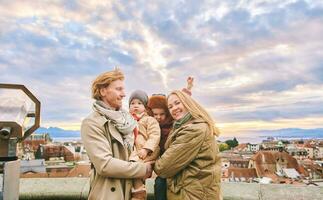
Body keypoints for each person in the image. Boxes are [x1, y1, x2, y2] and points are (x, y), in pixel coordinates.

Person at [81, 69, 153, 200]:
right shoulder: (91, 123)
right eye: (119, 89)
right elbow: (105, 165)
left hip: (131, 192)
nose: (124, 94)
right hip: (109, 194)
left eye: (123, 90)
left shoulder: (127, 121)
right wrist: (143, 169)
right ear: (103, 91)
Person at [154, 90, 222, 200]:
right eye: (170, 107)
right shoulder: (190, 125)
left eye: (177, 103)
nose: (174, 108)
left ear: (187, 102)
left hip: (190, 194)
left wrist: (151, 162)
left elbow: (163, 168)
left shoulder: (193, 130)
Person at [148, 77, 194, 200]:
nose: (158, 117)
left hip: (174, 157)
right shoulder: (152, 124)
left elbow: (181, 102)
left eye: (162, 114)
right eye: (155, 114)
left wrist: (188, 88)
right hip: (162, 159)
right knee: (159, 183)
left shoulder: (175, 122)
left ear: (167, 113)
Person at [128, 90, 161, 200]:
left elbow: (155, 135)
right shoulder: (127, 121)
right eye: (132, 103)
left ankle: (139, 195)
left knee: (136, 169)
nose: (135, 106)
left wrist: (146, 149)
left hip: (146, 153)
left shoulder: (149, 120)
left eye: (139, 103)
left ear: (145, 107)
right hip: (134, 153)